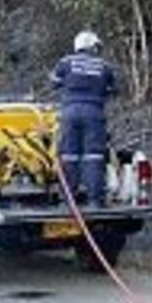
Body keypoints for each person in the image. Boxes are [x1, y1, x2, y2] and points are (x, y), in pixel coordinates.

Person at [50, 30, 116, 207]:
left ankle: (68, 200)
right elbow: (112, 89)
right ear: (93, 46)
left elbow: (54, 83)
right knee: (94, 156)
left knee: (69, 155)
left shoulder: (65, 62)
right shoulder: (104, 66)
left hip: (70, 113)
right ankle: (95, 200)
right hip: (94, 113)